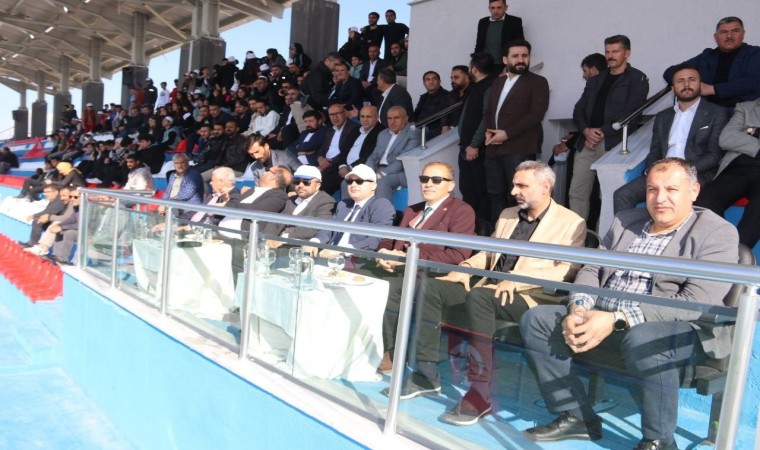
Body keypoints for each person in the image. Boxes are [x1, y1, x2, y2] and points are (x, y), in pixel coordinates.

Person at [520, 158, 739, 449]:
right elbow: (592, 268)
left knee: (643, 338)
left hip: (683, 329)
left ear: (694, 191)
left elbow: (696, 301)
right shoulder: (626, 221)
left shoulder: (716, 232)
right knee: (538, 319)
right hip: (605, 316)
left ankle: (659, 440)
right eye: (652, 189)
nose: (660, 198)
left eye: (671, 190)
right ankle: (576, 416)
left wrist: (617, 318)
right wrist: (579, 307)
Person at [421, 161, 586, 424]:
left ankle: (480, 392)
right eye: (514, 185)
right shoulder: (509, 214)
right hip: (489, 288)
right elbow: (488, 253)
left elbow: (566, 271)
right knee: (433, 287)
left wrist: (517, 281)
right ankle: (425, 373)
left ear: (545, 187)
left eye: (522, 186)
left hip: (531, 296)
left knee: (480, 298)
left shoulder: (570, 222)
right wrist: (465, 268)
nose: (513, 191)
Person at [376, 161, 476, 372]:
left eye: (436, 180)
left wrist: (406, 258)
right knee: (365, 276)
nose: (428, 184)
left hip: (430, 275)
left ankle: (391, 351)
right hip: (400, 269)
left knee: (390, 287)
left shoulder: (461, 211)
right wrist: (384, 251)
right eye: (424, 179)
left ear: (450, 185)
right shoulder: (413, 210)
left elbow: (458, 255)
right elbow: (391, 237)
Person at [614, 64, 729, 213]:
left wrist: (682, 171)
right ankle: (632, 230)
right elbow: (655, 150)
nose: (686, 84)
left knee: (675, 197)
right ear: (673, 89)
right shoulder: (663, 117)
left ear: (700, 85)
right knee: (622, 195)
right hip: (662, 173)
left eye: (691, 79)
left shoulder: (717, 113)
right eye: (680, 81)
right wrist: (652, 170)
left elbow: (714, 155)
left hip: (695, 174)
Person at [568, 35, 649, 223]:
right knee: (577, 191)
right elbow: (578, 110)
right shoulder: (596, 79)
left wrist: (602, 131)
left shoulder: (637, 78)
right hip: (586, 142)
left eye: (615, 51)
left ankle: (604, 239)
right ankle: (575, 237)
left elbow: (633, 112)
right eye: (607, 51)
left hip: (613, 143)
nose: (610, 55)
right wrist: (585, 130)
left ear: (627, 53)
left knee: (607, 195)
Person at [482, 40, 550, 226]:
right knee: (495, 194)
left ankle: (519, 235)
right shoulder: (498, 83)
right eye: (516, 56)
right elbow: (489, 111)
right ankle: (498, 233)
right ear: (505, 59)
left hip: (519, 148)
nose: (521, 59)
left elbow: (536, 115)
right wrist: (489, 132)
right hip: (494, 148)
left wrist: (506, 134)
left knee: (520, 195)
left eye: (524, 56)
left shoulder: (538, 82)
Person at [696, 97, 760, 249]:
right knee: (706, 199)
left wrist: (752, 131)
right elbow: (726, 138)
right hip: (738, 168)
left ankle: (738, 254)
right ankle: (720, 248)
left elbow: (735, 137)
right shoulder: (746, 107)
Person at [663, 17, 760, 109]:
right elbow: (670, 73)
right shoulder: (707, 55)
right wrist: (691, 83)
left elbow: (753, 82)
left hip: (741, 110)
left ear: (743, 34)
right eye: (724, 32)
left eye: (735, 31)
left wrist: (713, 89)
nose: (729, 36)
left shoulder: (755, 53)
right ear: (716, 37)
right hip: (706, 110)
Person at [308, 164, 396, 257]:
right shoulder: (343, 204)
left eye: (359, 181)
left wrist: (343, 250)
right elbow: (328, 229)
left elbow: (378, 238)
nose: (353, 185)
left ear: (373, 186)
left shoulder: (380, 205)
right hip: (328, 256)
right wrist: (315, 241)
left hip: (356, 260)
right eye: (350, 181)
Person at [456, 54, 496, 234]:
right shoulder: (476, 88)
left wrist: (474, 144)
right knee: (468, 191)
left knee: (480, 192)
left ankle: (481, 232)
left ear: (474, 69)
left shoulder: (489, 87)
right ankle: (467, 229)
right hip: (467, 148)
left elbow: (487, 118)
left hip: (476, 150)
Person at [268, 165, 336, 245]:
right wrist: (268, 238)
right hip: (276, 243)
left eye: (306, 182)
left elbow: (318, 229)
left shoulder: (326, 202)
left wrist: (284, 237)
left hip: (301, 247)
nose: (300, 185)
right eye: (297, 181)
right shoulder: (291, 200)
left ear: (318, 185)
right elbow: (276, 222)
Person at [219, 165, 292, 239]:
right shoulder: (252, 190)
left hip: (240, 239)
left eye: (267, 170)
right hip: (221, 232)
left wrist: (226, 205)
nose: (264, 172)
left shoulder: (279, 196)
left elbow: (255, 210)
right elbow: (237, 204)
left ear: (272, 177)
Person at [366, 106, 421, 203]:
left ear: (406, 119)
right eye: (389, 118)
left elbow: (402, 160)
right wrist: (368, 172)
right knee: (350, 181)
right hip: (379, 169)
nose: (392, 122)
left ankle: (383, 212)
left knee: (382, 182)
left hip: (400, 172)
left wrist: (382, 174)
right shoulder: (383, 133)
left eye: (396, 118)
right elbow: (373, 156)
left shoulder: (413, 133)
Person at [317, 104, 361, 195]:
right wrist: (320, 159)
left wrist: (328, 163)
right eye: (331, 115)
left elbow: (347, 151)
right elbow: (322, 149)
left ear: (345, 113)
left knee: (321, 183)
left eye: (338, 113)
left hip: (339, 165)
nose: (335, 117)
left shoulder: (354, 128)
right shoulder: (330, 130)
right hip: (325, 164)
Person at [474, 0, 524, 73]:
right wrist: (474, 63)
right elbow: (479, 45)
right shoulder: (483, 22)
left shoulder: (514, 21)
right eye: (493, 8)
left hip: (504, 65)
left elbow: (520, 45)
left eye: (499, 7)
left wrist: (509, 66)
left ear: (506, 7)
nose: (496, 11)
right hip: (484, 65)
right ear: (489, 8)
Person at [20, 185, 68, 249]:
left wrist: (33, 216)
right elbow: (47, 211)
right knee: (38, 220)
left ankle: (33, 244)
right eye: (45, 192)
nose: (45, 194)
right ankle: (32, 243)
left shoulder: (59, 200)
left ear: (56, 192)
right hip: (54, 218)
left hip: (59, 220)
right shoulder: (54, 199)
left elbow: (49, 212)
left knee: (37, 221)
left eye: (48, 192)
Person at [413, 71, 450, 140]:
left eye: (434, 79)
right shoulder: (423, 97)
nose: (431, 82)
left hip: (432, 129)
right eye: (427, 79)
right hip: (419, 127)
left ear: (439, 81)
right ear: (424, 83)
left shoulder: (447, 96)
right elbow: (416, 114)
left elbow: (445, 116)